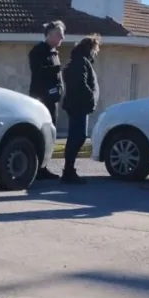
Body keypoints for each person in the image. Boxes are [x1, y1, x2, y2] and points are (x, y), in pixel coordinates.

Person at [59, 34, 101, 185]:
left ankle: (69, 170)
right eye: (95, 50)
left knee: (76, 137)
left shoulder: (79, 61)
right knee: (78, 137)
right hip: (79, 106)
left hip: (78, 105)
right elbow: (81, 84)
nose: (95, 53)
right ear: (90, 48)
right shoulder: (80, 62)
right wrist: (90, 99)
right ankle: (68, 171)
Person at [29, 20, 66, 179]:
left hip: (53, 101)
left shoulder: (55, 53)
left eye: (62, 35)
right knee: (40, 132)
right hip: (40, 100)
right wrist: (55, 70)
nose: (62, 38)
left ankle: (44, 167)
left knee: (50, 134)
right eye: (59, 34)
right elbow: (39, 72)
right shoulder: (37, 51)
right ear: (49, 35)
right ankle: (36, 167)